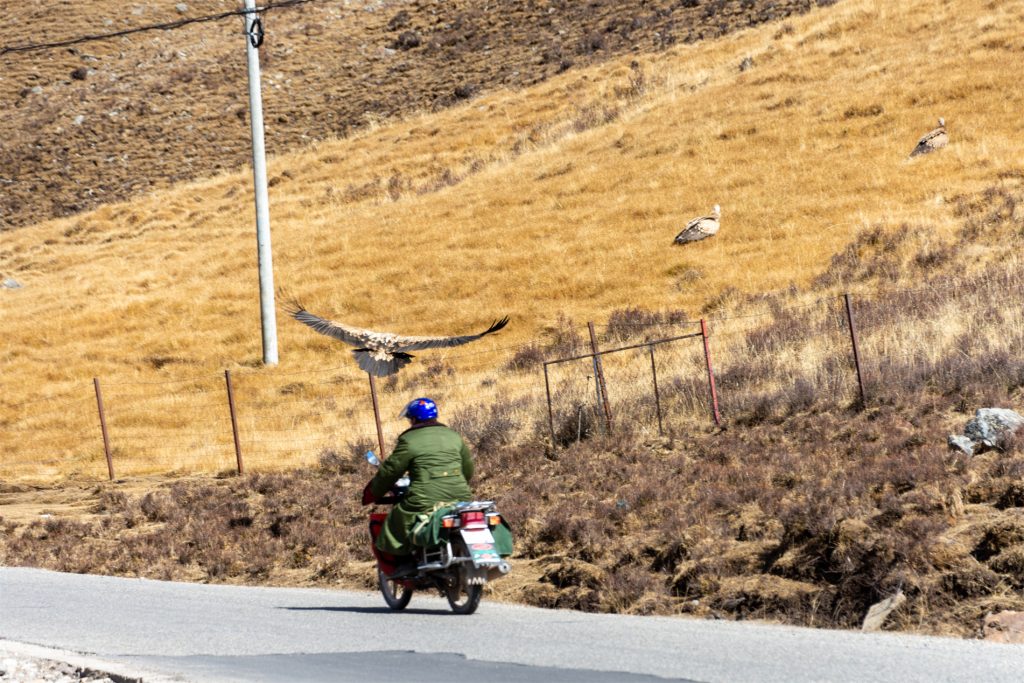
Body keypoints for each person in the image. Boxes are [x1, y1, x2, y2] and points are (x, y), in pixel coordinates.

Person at [367, 397, 474, 572]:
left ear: (414, 419)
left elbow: (391, 471)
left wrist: (376, 490)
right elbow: (468, 469)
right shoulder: (453, 436)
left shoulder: (409, 440)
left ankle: (404, 564)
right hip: (460, 496)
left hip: (425, 499)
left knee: (397, 518)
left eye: (410, 419)